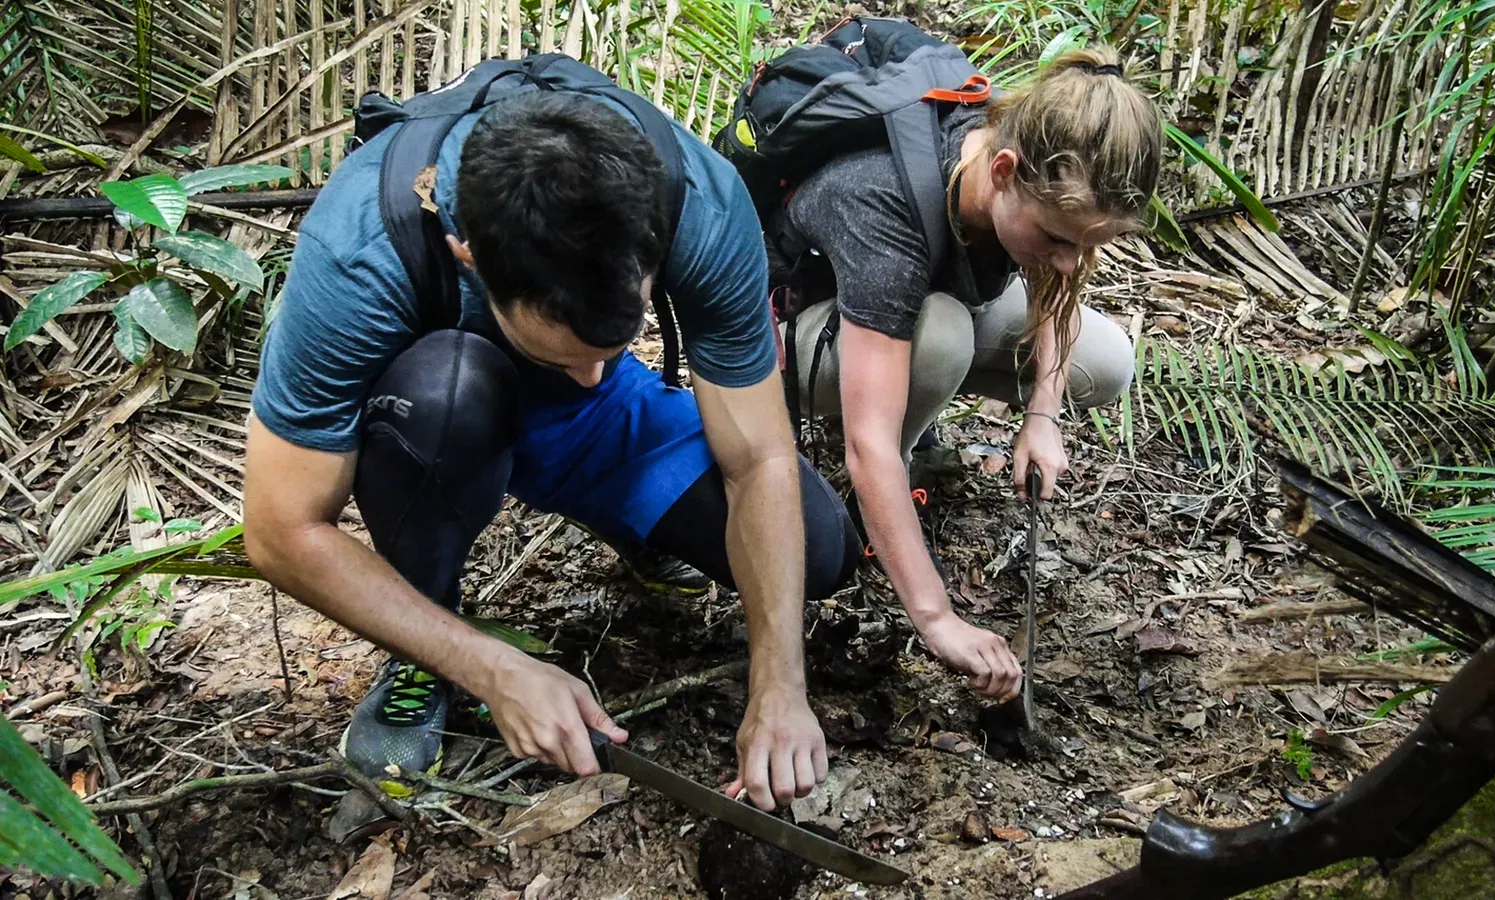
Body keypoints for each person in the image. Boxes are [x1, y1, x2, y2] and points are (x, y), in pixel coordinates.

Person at [242, 82, 860, 811]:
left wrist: (779, 683)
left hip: (596, 423)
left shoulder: (701, 205)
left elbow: (759, 458)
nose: (589, 368)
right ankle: (426, 645)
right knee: (446, 399)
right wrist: (490, 667)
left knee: (820, 548)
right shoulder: (362, 250)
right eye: (564, 353)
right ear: (467, 256)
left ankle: (625, 511)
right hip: (444, 418)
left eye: (613, 342)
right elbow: (281, 529)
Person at [770, 47, 1161, 700]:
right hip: (795, 341)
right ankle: (877, 503)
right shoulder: (884, 203)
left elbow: (1058, 301)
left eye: (1088, 246)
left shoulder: (1029, 164)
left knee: (1109, 362)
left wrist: (1042, 416)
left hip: (922, 300)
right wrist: (936, 617)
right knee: (941, 335)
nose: (1069, 264)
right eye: (1058, 240)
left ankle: (909, 441)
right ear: (1003, 171)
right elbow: (867, 447)